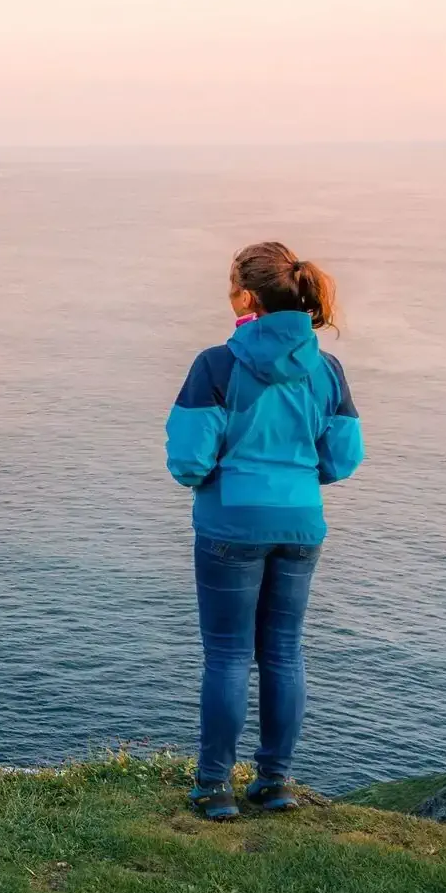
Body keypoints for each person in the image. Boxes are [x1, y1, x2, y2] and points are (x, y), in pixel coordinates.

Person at [163, 241, 364, 821]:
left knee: (227, 657)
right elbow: (343, 457)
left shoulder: (217, 365)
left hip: (231, 522)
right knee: (283, 652)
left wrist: (223, 472)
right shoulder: (326, 368)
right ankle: (275, 783)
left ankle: (214, 787)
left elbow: (188, 463)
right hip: (301, 524)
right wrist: (300, 475)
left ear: (247, 296)